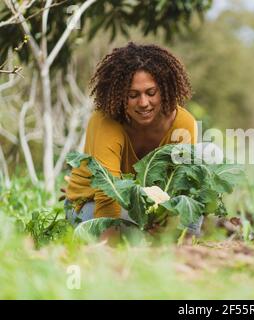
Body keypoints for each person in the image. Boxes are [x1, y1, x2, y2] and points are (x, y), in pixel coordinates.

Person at [64, 42, 202, 239]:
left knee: (194, 194)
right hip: (92, 206)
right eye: (133, 95)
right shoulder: (106, 121)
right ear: (120, 96)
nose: (144, 103)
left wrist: (171, 221)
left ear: (164, 89)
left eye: (151, 93)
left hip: (150, 208)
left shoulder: (183, 123)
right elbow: (107, 195)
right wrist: (108, 252)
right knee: (129, 225)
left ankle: (181, 249)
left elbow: (184, 188)